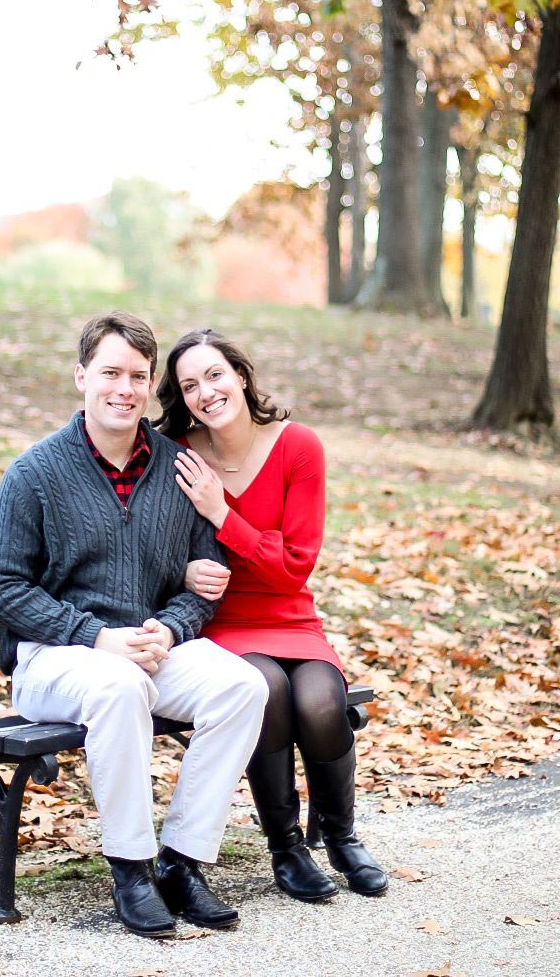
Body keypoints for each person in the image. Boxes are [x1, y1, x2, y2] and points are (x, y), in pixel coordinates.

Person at [0, 313, 268, 938]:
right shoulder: (36, 473)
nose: (125, 388)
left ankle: (182, 863)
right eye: (110, 372)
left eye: (139, 376)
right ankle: (130, 869)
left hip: (148, 649)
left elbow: (206, 575)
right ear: (82, 376)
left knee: (242, 687)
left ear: (151, 384)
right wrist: (95, 636)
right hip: (57, 660)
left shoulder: (177, 468)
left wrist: (171, 627)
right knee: (118, 686)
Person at [159, 327, 389, 902]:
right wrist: (184, 573)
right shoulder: (179, 455)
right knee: (266, 689)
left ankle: (341, 837)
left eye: (214, 375)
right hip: (222, 621)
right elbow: (156, 548)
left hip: (289, 614)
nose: (205, 392)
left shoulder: (299, 446)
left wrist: (221, 513)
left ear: (240, 374)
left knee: (319, 698)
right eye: (189, 385)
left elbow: (294, 568)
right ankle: (286, 847)